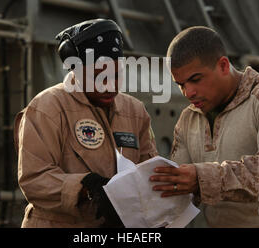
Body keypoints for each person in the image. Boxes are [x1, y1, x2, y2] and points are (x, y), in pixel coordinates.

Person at [150, 26, 259, 228]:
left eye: (195, 79)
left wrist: (202, 178)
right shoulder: (188, 119)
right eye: (181, 84)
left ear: (224, 65)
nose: (188, 92)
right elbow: (177, 190)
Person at [14, 19, 158, 227]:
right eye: (99, 76)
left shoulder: (135, 112)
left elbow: (149, 170)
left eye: (117, 75)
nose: (110, 86)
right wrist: (85, 187)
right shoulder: (46, 108)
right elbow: (33, 180)